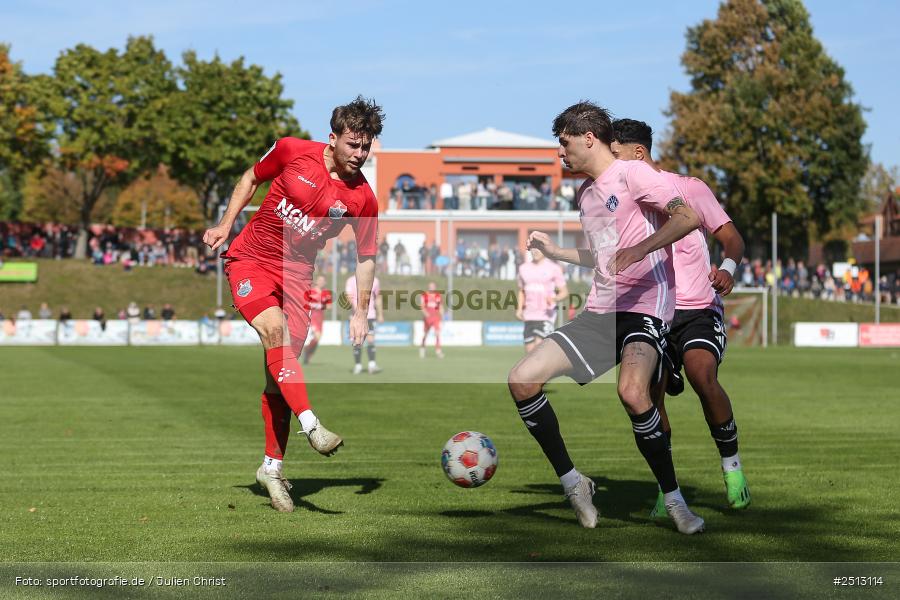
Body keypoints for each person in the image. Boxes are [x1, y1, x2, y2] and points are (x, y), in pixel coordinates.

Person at [511, 101, 704, 534]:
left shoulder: (633, 173)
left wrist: (642, 249)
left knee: (633, 393)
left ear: (588, 138)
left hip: (644, 306)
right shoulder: (586, 195)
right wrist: (556, 252)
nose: (560, 153)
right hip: (601, 310)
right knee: (522, 380)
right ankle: (574, 483)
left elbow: (688, 217)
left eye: (563, 143)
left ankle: (674, 501)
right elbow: (604, 258)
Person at [203, 96, 384, 513]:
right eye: (353, 144)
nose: (360, 154)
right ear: (333, 137)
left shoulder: (363, 199)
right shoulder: (291, 151)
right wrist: (226, 223)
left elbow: (367, 256)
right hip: (251, 258)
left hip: (298, 278)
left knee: (279, 380)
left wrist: (360, 312)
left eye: (366, 146)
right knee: (274, 333)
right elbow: (251, 177)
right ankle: (313, 426)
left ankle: (271, 467)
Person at [611, 118, 750, 513]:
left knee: (702, 375)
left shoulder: (689, 190)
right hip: (653, 313)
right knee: (648, 399)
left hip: (698, 308)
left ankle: (732, 468)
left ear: (638, 154)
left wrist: (728, 268)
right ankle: (666, 490)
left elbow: (732, 239)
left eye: (617, 155)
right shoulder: (624, 204)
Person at [516, 245, 568, 353]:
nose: (535, 251)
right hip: (529, 315)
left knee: (539, 353)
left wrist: (554, 299)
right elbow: (521, 291)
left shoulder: (554, 268)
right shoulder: (523, 268)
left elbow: (564, 292)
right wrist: (519, 309)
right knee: (529, 355)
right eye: (533, 249)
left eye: (538, 248)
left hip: (546, 315)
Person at [344, 273, 383, 374]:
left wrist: (380, 314)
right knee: (357, 341)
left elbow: (378, 297)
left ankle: (372, 365)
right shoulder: (351, 280)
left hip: (370, 315)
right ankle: (358, 365)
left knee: (370, 339)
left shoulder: (375, 280)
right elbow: (348, 297)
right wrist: (357, 311)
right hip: (356, 316)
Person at [302, 275, 333, 365]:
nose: (321, 282)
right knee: (317, 336)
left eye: (323, 280)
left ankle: (308, 353)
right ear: (316, 281)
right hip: (312, 317)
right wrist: (315, 305)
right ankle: (307, 351)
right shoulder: (311, 292)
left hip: (320, 318)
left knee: (318, 338)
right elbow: (305, 304)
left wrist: (319, 305)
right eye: (320, 280)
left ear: (325, 282)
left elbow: (329, 306)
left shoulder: (326, 293)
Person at [419, 282, 444, 358]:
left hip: (436, 317)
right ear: (428, 287)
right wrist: (426, 314)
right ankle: (422, 348)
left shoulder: (438, 296)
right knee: (425, 334)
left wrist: (442, 315)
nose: (432, 288)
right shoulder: (424, 295)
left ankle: (438, 351)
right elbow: (422, 306)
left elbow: (440, 306)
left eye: (433, 287)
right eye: (430, 287)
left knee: (437, 333)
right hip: (428, 318)